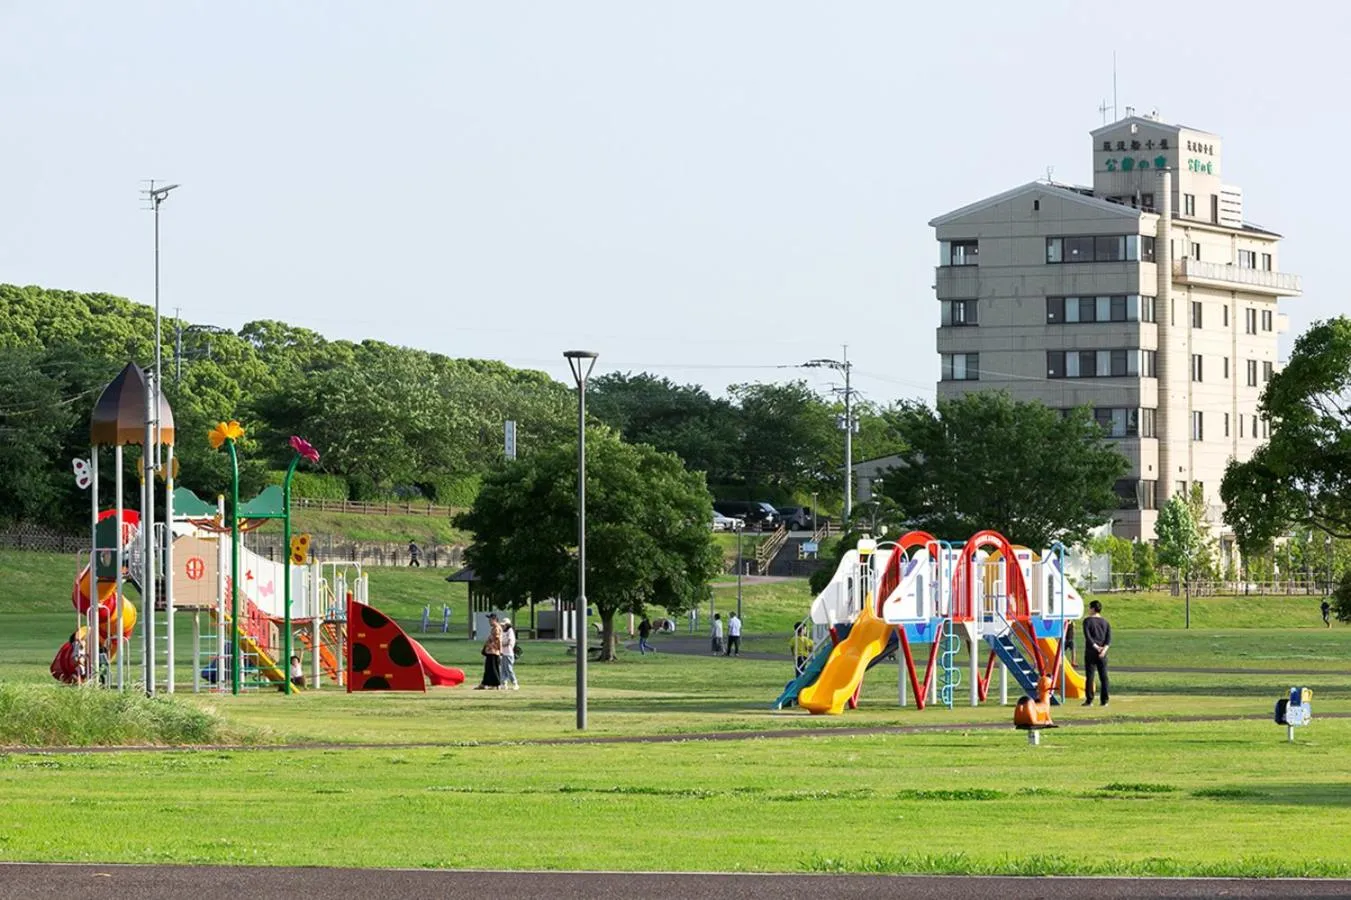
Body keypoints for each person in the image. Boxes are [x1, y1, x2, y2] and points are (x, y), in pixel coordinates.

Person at [1081, 600, 1111, 707]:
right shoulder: (1105, 622)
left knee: (1090, 676)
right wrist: (1103, 649)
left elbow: (1088, 637)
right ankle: (1105, 700)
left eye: (1089, 607)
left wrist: (1096, 647)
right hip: (1103, 653)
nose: (1088, 610)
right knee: (1104, 677)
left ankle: (1089, 700)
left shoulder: (1087, 621)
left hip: (1091, 652)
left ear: (1093, 609)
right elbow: (1108, 639)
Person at [476, 613, 503, 689]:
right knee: (488, 668)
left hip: (493, 651)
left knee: (493, 668)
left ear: (494, 620)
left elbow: (498, 640)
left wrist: (500, 651)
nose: (489, 621)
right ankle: (485, 684)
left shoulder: (497, 628)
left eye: (490, 620)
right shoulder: (494, 628)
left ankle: (497, 684)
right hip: (490, 651)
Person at [499, 619, 519, 690]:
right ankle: (504, 683)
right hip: (503, 653)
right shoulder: (503, 631)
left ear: (507, 625)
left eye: (504, 625)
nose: (502, 626)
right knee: (503, 669)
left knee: (509, 669)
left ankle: (515, 683)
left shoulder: (510, 631)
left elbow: (509, 642)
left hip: (508, 653)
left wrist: (501, 644)